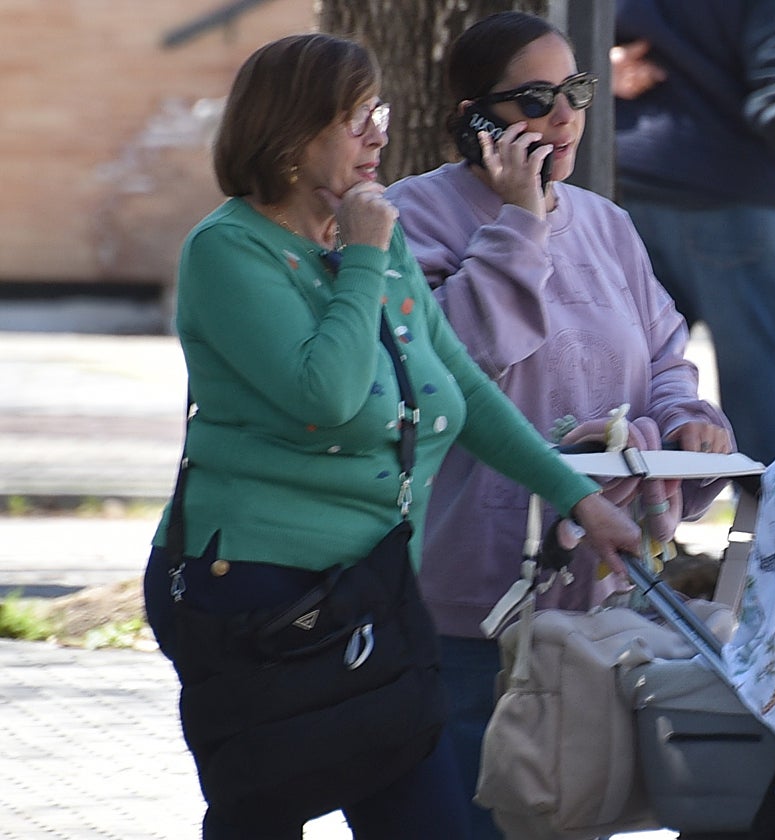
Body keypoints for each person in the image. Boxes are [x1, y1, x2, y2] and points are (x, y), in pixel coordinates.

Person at [140, 32, 643, 840]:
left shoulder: (376, 231)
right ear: (291, 135)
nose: (378, 133)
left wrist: (577, 500)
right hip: (254, 591)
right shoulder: (229, 251)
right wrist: (366, 259)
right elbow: (327, 396)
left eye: (378, 111)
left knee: (421, 814)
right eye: (355, 119)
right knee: (262, 811)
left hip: (373, 584)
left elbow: (461, 390)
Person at [383, 11, 733, 838]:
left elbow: (663, 357)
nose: (565, 116)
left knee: (567, 806)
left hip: (596, 591)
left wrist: (688, 422)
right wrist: (520, 221)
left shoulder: (608, 224)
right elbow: (455, 360)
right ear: (477, 117)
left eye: (574, 90)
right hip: (467, 594)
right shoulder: (412, 216)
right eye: (535, 99)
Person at [612, 0, 775, 466]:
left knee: (629, 376)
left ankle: (633, 527)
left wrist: (593, 70)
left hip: (635, 185)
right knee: (758, 386)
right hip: (736, 193)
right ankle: (773, 528)